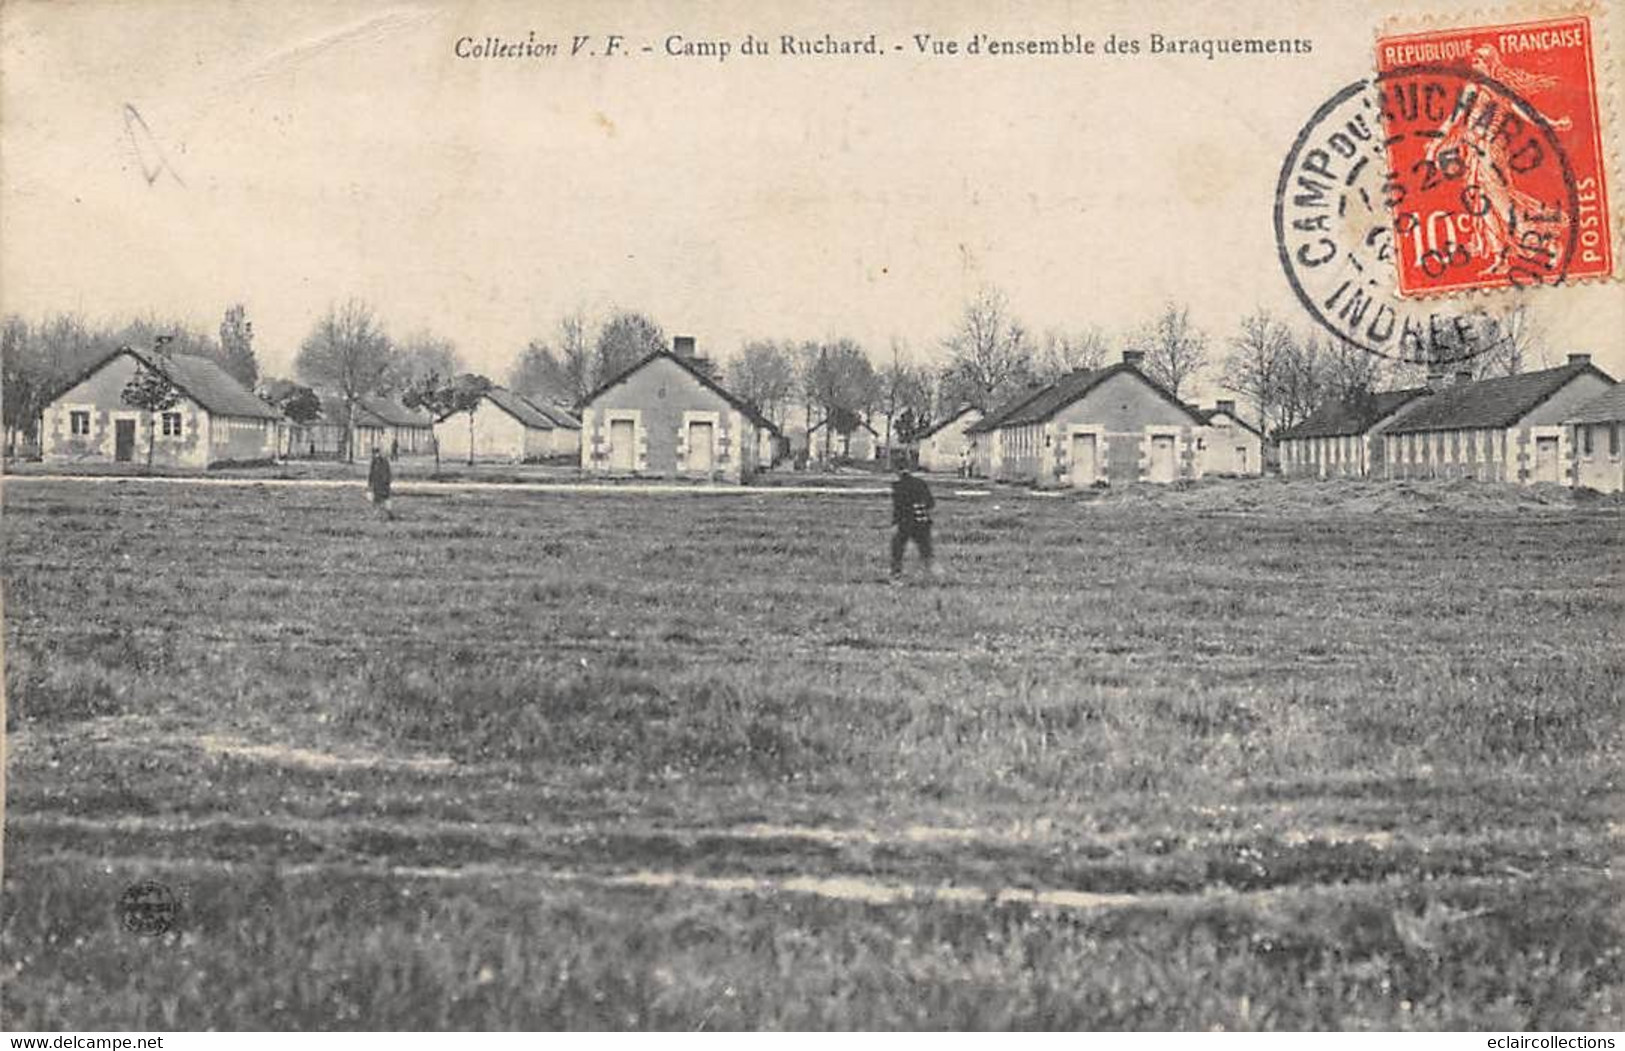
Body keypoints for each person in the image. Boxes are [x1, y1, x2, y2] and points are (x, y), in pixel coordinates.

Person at [890, 467, 936, 581]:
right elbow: (931, 503)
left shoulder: (898, 486)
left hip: (906, 522)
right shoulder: (921, 483)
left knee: (898, 548)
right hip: (922, 521)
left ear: (897, 472)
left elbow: (898, 508)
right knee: (925, 549)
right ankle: (928, 573)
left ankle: (896, 572)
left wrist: (895, 522)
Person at [367, 448, 394, 520]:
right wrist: (370, 484)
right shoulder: (374, 462)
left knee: (385, 499)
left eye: (376, 453)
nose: (375, 455)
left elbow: (387, 473)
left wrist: (387, 482)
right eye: (374, 454)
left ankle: (388, 513)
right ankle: (378, 514)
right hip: (377, 484)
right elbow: (371, 474)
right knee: (377, 500)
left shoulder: (384, 462)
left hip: (383, 484)